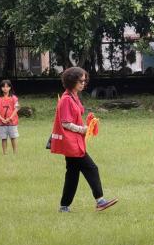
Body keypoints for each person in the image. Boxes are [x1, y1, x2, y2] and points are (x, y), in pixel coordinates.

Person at [50, 67, 117, 212]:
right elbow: (65, 123)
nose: (83, 83)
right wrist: (83, 129)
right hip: (72, 143)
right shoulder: (66, 99)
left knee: (72, 174)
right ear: (71, 81)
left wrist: (89, 123)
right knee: (91, 168)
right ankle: (100, 201)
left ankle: (64, 206)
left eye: (84, 80)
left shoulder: (73, 96)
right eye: (80, 81)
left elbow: (76, 115)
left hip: (75, 141)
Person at [0, 79, 20, 154]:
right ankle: (5, 152)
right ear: (1, 88)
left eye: (7, 86)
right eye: (3, 87)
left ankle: (15, 152)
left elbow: (16, 108)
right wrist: (1, 118)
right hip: (1, 122)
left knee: (13, 137)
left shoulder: (14, 98)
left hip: (12, 122)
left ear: (10, 87)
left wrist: (10, 118)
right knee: (3, 138)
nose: (5, 88)